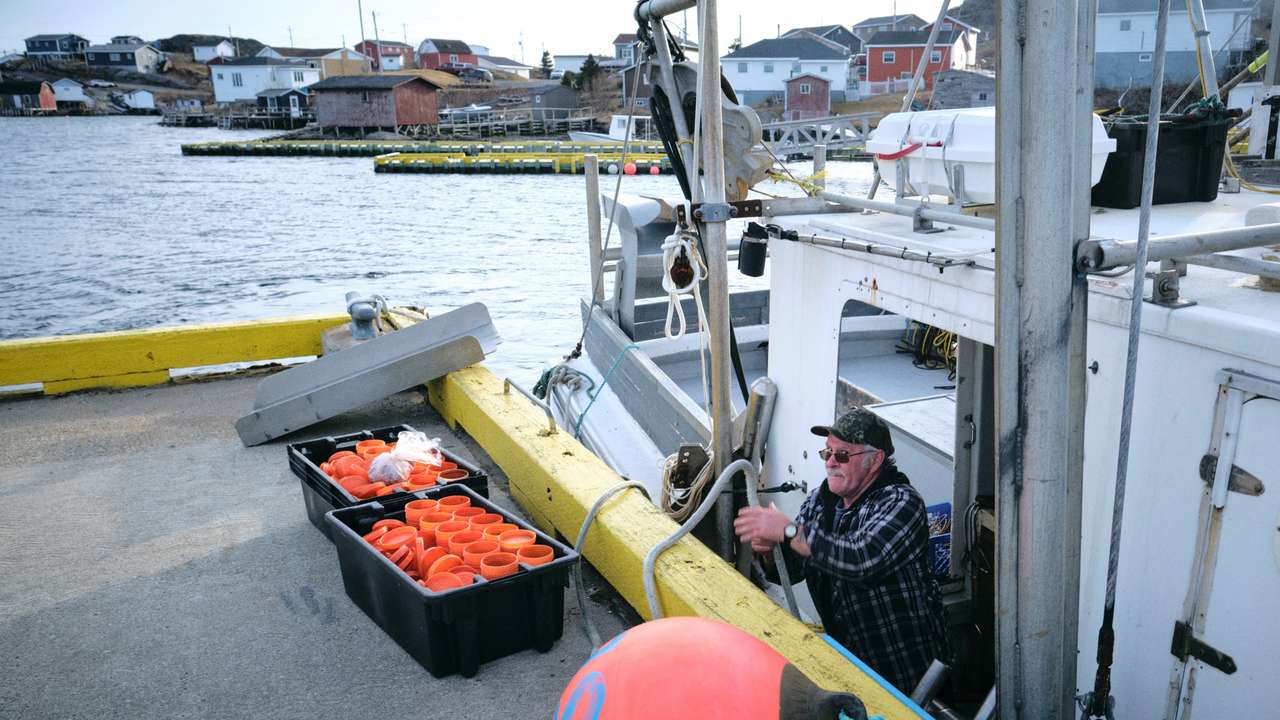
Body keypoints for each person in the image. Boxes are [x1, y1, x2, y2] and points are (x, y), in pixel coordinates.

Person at [733, 407, 951, 692]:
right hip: (854, 664)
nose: (831, 463)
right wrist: (770, 549)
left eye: (843, 455)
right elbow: (793, 570)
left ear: (875, 461)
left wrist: (788, 531)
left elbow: (862, 559)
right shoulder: (820, 501)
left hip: (907, 668)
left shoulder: (902, 502)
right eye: (827, 453)